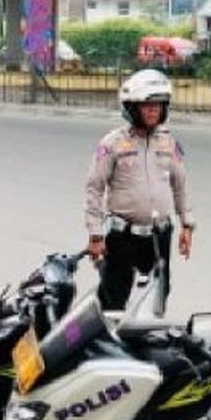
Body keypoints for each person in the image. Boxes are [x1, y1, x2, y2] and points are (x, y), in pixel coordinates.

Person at [84, 69, 194, 310]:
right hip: (122, 237)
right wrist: (95, 234)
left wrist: (187, 224)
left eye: (158, 104)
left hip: (158, 236)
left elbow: (180, 185)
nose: (153, 109)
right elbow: (94, 188)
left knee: (158, 294)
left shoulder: (168, 142)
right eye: (147, 105)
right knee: (114, 296)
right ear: (132, 108)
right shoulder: (112, 143)